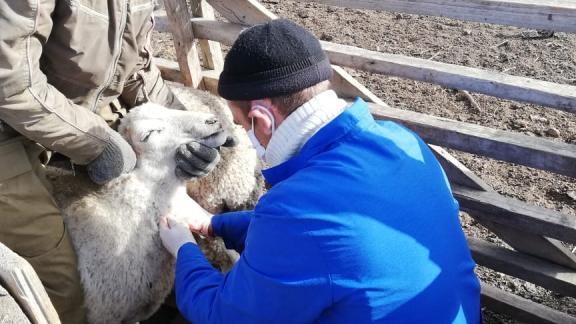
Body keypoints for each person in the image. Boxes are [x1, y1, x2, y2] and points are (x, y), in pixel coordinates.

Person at [159, 19, 481, 323]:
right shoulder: (403, 141)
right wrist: (214, 225)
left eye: (244, 126)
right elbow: (318, 236)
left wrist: (184, 248)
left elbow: (223, 316)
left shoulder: (296, 207)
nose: (246, 137)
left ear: (263, 118)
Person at [0, 1, 221, 322]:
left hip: (65, 106)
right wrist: (97, 143)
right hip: (7, 123)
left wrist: (189, 130)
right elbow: (10, 79)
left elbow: (136, 70)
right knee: (60, 279)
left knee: (170, 193)